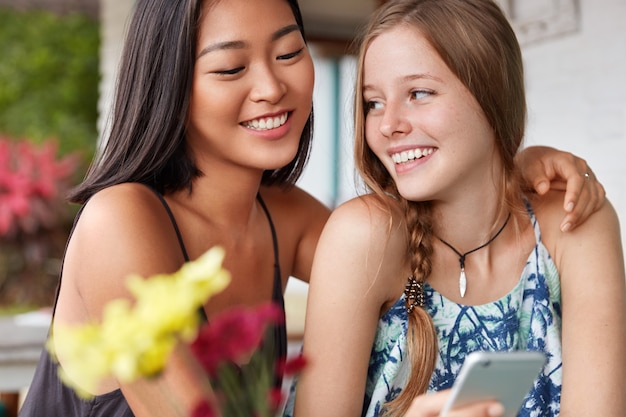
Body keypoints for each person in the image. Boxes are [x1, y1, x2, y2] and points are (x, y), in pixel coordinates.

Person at [17, 0, 606, 416]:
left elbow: (424, 256)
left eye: (289, 53)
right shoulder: (120, 220)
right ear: (169, 83)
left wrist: (515, 161)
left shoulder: (287, 219)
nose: (272, 87)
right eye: (231, 67)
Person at [289, 1, 626, 417]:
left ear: (491, 92)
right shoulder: (364, 235)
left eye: (418, 93)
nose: (387, 124)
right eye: (373, 102)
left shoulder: (573, 223)